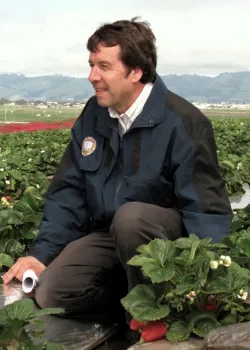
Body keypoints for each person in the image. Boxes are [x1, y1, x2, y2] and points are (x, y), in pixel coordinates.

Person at [2, 17, 232, 326]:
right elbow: (68, 193)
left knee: (131, 218)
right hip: (107, 237)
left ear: (136, 71)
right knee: (52, 292)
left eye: (104, 67)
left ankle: (156, 318)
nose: (92, 76)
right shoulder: (94, 114)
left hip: (165, 248)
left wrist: (207, 284)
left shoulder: (183, 123)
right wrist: (41, 254)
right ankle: (134, 311)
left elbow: (206, 210)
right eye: (91, 64)